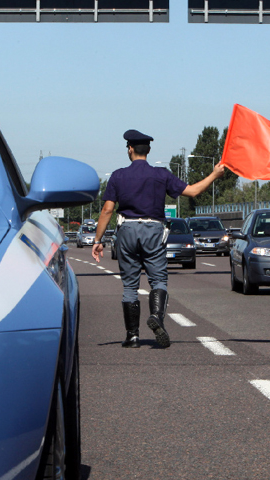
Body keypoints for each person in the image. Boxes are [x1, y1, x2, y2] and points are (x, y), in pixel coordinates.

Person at [91, 129, 226, 348]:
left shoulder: (118, 176)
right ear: (149, 150)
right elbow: (192, 192)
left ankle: (132, 336)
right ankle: (156, 316)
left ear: (130, 149)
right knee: (158, 280)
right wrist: (214, 175)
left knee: (129, 286)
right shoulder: (161, 175)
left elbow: (107, 210)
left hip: (127, 230)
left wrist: (98, 240)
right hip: (154, 230)